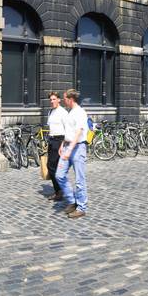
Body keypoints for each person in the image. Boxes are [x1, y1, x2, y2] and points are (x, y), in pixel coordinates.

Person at [56, 89, 89, 219]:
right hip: (67, 146)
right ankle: (72, 200)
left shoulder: (80, 112)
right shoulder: (70, 112)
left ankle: (81, 207)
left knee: (79, 180)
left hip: (77, 148)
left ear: (71, 99)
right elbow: (69, 131)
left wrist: (70, 149)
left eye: (65, 98)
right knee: (59, 175)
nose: (64, 101)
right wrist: (62, 145)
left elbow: (78, 132)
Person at [45, 91, 68, 201]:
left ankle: (60, 191)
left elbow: (67, 130)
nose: (52, 101)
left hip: (59, 141)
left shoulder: (63, 112)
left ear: (59, 100)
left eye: (54, 99)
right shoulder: (50, 112)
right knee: (50, 166)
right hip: (51, 140)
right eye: (51, 99)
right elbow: (50, 128)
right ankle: (59, 190)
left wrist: (62, 145)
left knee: (54, 167)